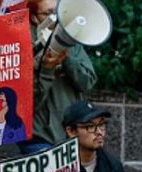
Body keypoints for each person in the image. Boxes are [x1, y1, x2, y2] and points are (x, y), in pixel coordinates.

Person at [30, 0, 97, 148]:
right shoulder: (26, 45)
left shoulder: (71, 41)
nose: (56, 17)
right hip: (41, 137)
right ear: (34, 17)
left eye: (58, 12)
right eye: (48, 13)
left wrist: (66, 56)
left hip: (72, 135)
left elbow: (88, 82)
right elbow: (31, 102)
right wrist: (46, 69)